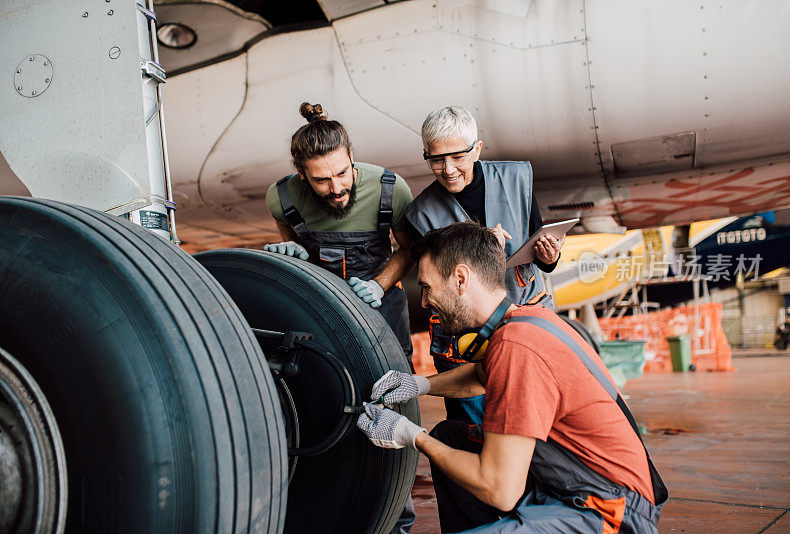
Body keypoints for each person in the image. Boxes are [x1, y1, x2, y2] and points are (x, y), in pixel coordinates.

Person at [357, 222, 667, 533]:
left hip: (610, 508)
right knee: (450, 437)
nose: (424, 302)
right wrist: (419, 384)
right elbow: (480, 374)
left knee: (461, 459)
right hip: (589, 478)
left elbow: (500, 490)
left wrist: (413, 436)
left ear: (461, 279)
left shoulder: (515, 346)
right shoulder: (528, 318)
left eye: (427, 287)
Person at [265, 103, 417, 533]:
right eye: (321, 180)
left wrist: (381, 284)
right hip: (321, 312)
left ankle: (397, 521)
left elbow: (408, 250)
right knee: (325, 406)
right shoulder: (281, 197)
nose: (335, 188)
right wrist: (289, 254)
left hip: (380, 311)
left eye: (343, 173)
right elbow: (292, 243)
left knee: (391, 409)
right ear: (301, 175)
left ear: (352, 157)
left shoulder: (391, 188)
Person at [404, 105, 563, 425]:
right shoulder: (420, 213)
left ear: (477, 149)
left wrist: (550, 257)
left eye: (457, 157)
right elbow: (436, 279)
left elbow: (539, 251)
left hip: (523, 317)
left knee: (536, 421)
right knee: (473, 432)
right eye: (436, 159)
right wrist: (479, 245)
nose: (448, 169)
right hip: (464, 336)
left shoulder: (517, 178)